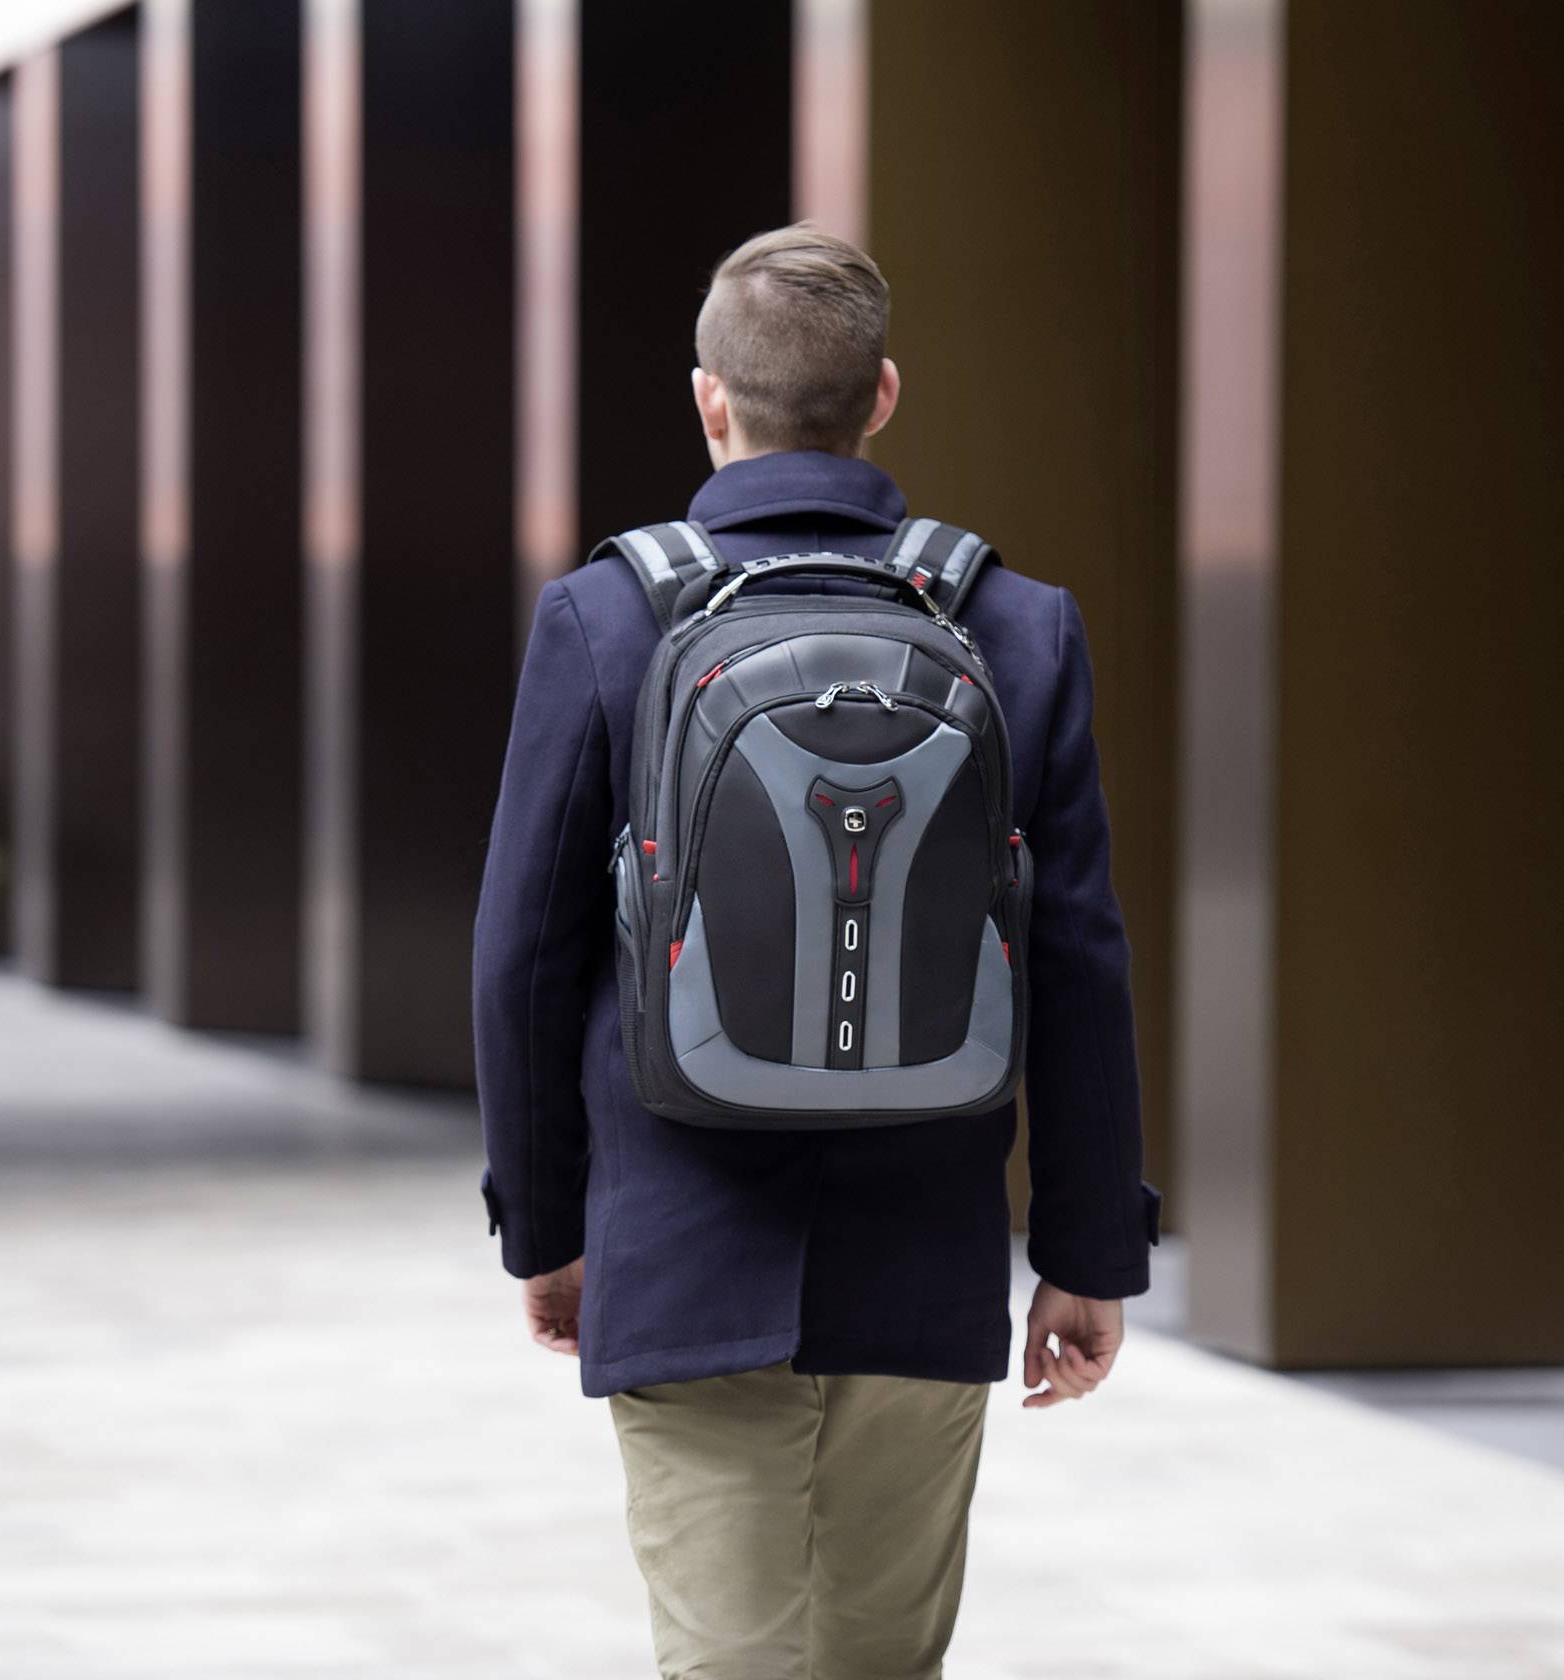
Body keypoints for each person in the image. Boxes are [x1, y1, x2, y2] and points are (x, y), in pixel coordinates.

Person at [473, 223, 1158, 1680]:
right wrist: (1088, 1251)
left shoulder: (607, 617)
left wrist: (547, 1229)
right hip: (927, 1261)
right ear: (883, 396)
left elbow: (524, 958)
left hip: (682, 1250)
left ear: (710, 401)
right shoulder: (1015, 623)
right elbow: (1079, 959)